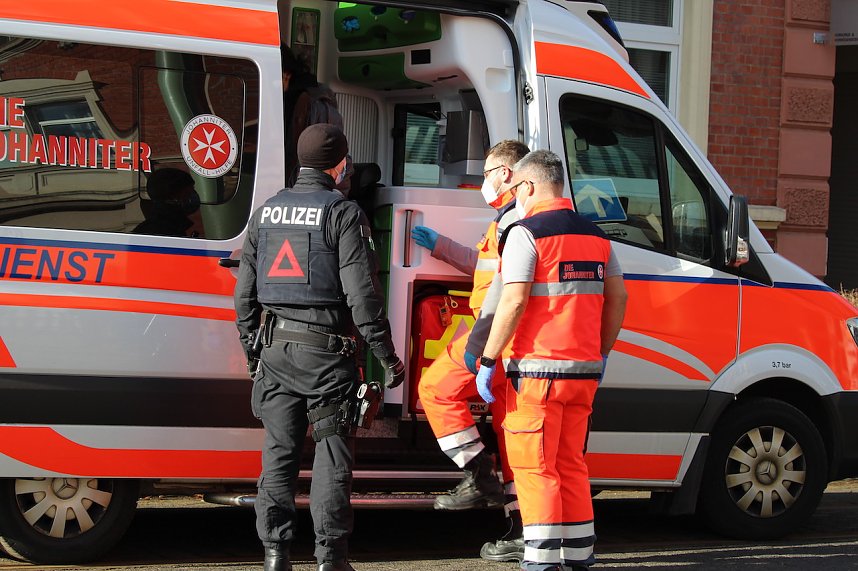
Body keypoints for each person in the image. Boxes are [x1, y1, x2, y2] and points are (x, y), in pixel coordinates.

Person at [233, 123, 406, 571]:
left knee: (279, 453)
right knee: (331, 456)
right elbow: (362, 294)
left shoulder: (265, 214)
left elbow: (244, 294)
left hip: (275, 351)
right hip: (327, 357)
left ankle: (275, 554)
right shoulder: (343, 214)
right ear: (340, 165)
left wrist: (252, 351)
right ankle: (331, 558)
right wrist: (385, 354)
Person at [475, 150, 627, 571]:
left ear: (527, 186)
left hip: (537, 374)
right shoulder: (596, 236)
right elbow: (618, 297)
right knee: (571, 465)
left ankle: (540, 562)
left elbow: (513, 300)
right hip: (584, 372)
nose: (514, 197)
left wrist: (488, 359)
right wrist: (602, 351)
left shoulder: (525, 233)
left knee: (535, 469)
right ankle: (578, 557)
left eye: (515, 189)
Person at [412, 140, 530, 563]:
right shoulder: (508, 220)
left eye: (487, 173)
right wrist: (440, 245)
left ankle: (480, 476)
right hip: (508, 338)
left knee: (436, 389)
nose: (483, 182)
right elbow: (485, 271)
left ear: (506, 174)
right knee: (511, 437)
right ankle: (521, 531)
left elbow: (503, 291)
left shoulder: (515, 221)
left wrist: (480, 348)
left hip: (494, 333)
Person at [282, 45, 343, 188]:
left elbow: (322, 157)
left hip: (305, 188)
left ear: (286, 75)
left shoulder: (314, 104)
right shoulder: (302, 98)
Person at [133, 167, 202, 237]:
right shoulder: (162, 231)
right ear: (173, 197)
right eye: (187, 193)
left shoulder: (171, 225)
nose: (191, 196)